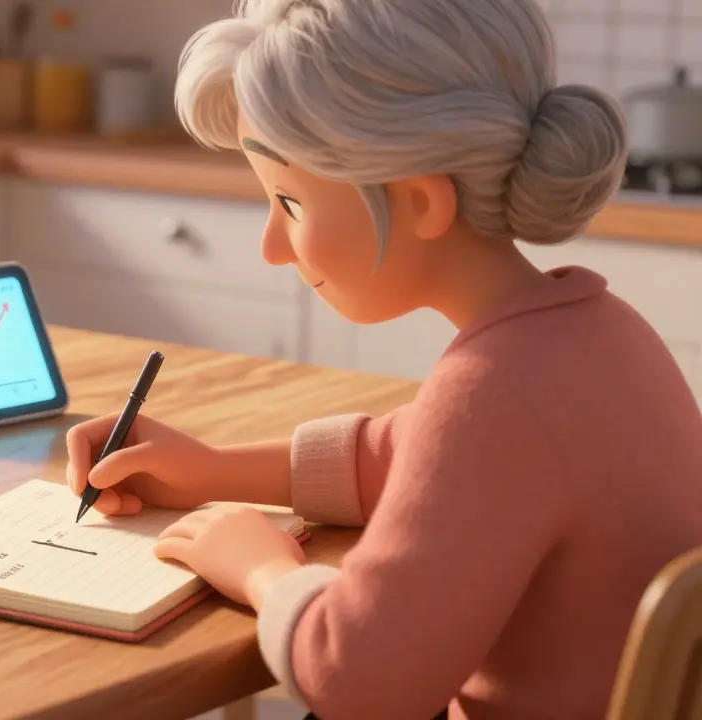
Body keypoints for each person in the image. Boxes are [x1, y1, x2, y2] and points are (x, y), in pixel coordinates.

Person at [63, 0, 702, 718]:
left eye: (291, 203)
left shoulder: (495, 395)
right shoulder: (600, 335)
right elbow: (407, 456)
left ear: (420, 202)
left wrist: (260, 568)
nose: (273, 246)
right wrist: (211, 470)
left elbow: (359, 679)